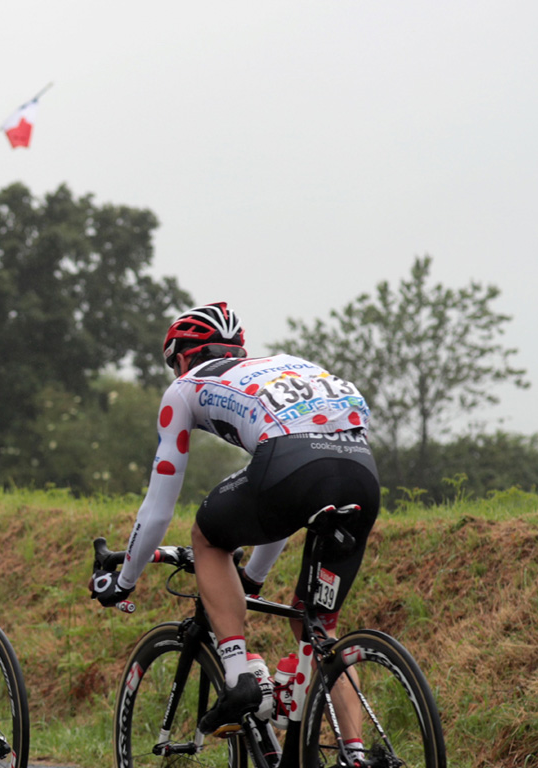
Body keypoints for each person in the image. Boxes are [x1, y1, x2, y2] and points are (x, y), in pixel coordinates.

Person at [92, 302, 380, 742]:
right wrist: (251, 579)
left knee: (207, 539)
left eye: (173, 364)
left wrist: (126, 579)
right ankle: (357, 750)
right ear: (237, 349)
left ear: (182, 357)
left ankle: (239, 678)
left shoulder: (186, 386)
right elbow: (284, 511)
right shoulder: (289, 365)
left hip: (292, 465)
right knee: (317, 628)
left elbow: (158, 505)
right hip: (361, 471)